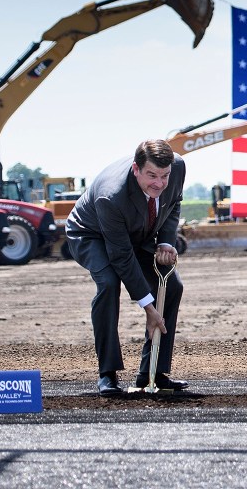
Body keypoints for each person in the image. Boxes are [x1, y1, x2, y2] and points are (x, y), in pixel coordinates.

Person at [66, 139, 187, 397]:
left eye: (164, 176)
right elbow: (121, 257)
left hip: (137, 232)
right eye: (151, 175)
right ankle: (107, 374)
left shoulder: (177, 168)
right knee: (109, 283)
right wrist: (148, 307)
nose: (159, 183)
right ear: (136, 169)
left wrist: (166, 240)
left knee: (172, 285)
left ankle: (153, 371)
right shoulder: (111, 196)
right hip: (91, 233)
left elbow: (174, 202)